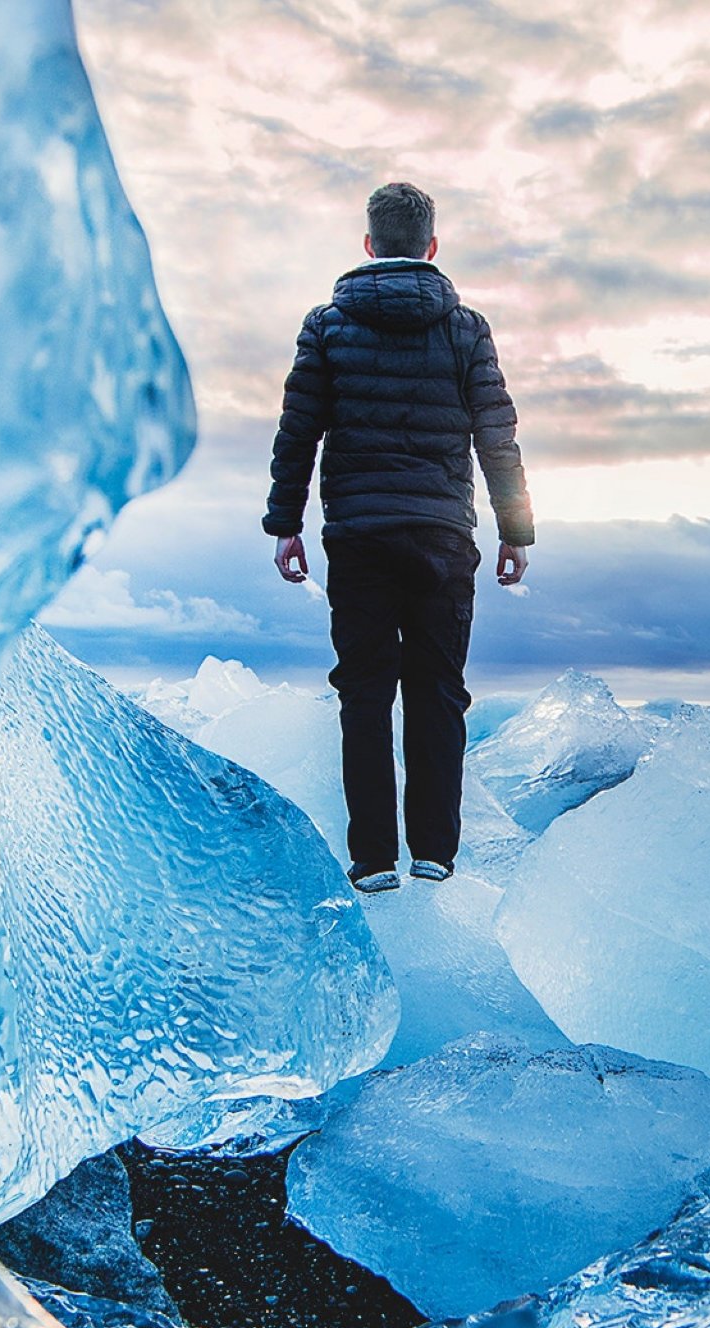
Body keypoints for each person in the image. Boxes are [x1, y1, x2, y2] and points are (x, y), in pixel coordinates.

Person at [264, 179, 535, 893]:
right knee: (438, 691)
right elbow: (496, 436)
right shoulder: (466, 328)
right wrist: (516, 530)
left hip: (358, 536)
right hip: (444, 537)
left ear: (369, 244)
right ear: (431, 246)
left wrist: (285, 524)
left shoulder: (327, 326)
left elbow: (299, 434)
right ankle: (435, 854)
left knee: (364, 693)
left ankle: (374, 859)